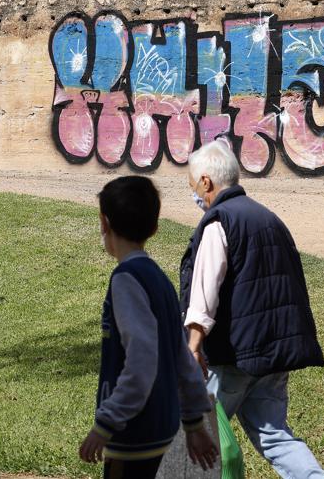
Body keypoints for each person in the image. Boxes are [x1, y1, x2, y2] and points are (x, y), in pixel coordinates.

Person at [180, 139, 324, 479]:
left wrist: (192, 347)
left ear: (206, 181)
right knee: (274, 435)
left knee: (194, 438)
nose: (195, 195)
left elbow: (205, 292)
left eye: (193, 186)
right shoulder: (269, 218)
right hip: (274, 355)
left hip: (235, 357)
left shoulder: (219, 223)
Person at [79, 176, 219, 479]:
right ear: (154, 228)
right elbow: (181, 356)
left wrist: (107, 422)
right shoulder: (159, 278)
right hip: (158, 429)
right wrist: (194, 422)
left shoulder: (126, 279)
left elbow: (141, 361)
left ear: (104, 223)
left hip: (131, 433)